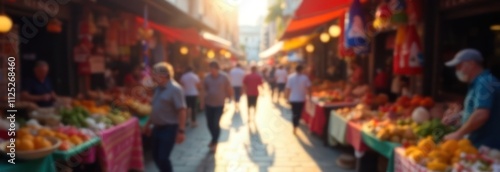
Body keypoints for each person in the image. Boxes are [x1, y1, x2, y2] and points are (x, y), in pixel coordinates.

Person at [443, 48, 500, 149]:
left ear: (471, 64)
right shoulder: (479, 82)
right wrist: (458, 117)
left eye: (459, 66)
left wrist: (459, 133)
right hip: (478, 143)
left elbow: (482, 114)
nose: (457, 70)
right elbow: (475, 110)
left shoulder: (485, 82)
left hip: (488, 147)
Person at [143, 62, 187, 172]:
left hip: (169, 128)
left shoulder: (175, 89)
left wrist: (181, 131)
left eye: (155, 74)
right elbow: (155, 108)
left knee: (163, 158)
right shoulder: (158, 88)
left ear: (164, 75)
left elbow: (182, 110)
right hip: (157, 128)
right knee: (155, 156)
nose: (153, 77)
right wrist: (148, 124)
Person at [203, 61, 233, 152]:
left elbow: (229, 88)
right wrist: (202, 101)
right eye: (210, 69)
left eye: (213, 69)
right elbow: (204, 89)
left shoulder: (224, 77)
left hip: (219, 104)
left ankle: (215, 142)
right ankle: (213, 139)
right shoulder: (207, 77)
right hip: (209, 103)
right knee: (209, 123)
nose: (212, 71)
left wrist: (230, 98)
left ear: (217, 69)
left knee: (216, 123)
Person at [285, 65, 311, 135]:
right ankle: (295, 125)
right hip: (300, 99)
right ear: (301, 69)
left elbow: (288, 89)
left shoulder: (290, 77)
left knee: (295, 113)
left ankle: (295, 126)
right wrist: (310, 96)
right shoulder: (304, 78)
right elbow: (309, 88)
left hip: (293, 98)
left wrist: (287, 98)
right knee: (298, 113)